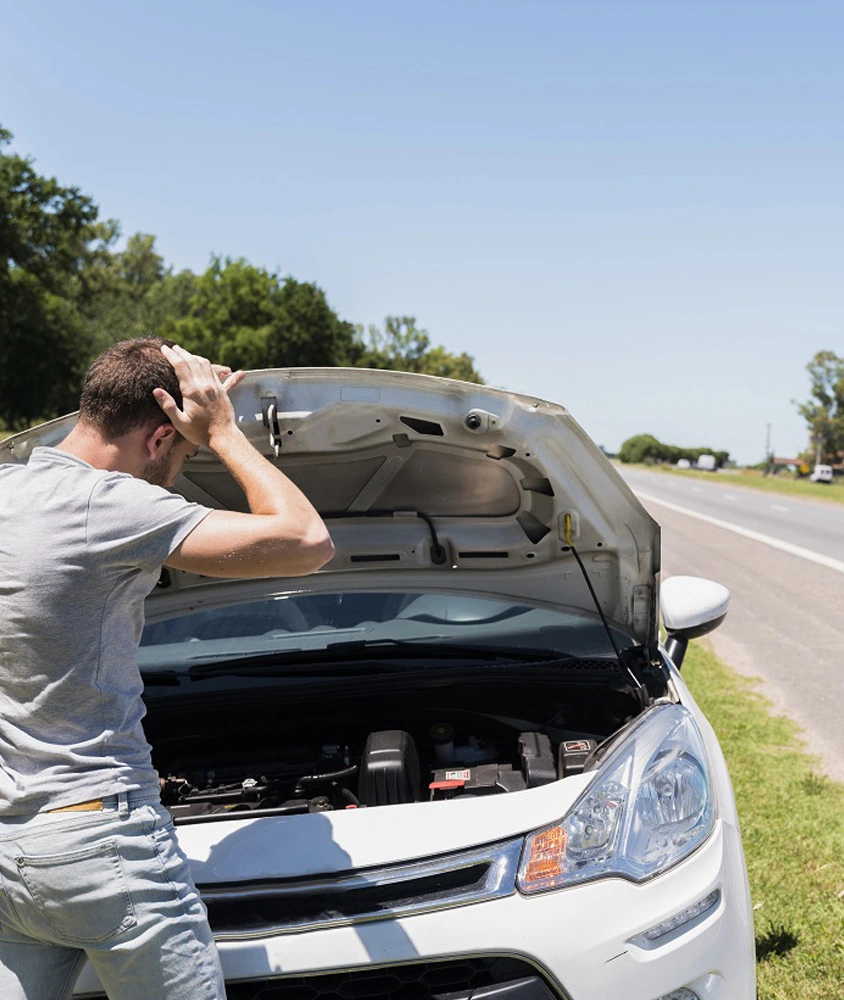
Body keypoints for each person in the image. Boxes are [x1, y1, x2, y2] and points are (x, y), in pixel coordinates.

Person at [0, 338, 334, 1000]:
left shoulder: (7, 490)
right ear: (158, 437)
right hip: (101, 839)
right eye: (182, 456)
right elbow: (307, 541)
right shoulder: (108, 503)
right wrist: (225, 434)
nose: (177, 475)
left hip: (12, 852)